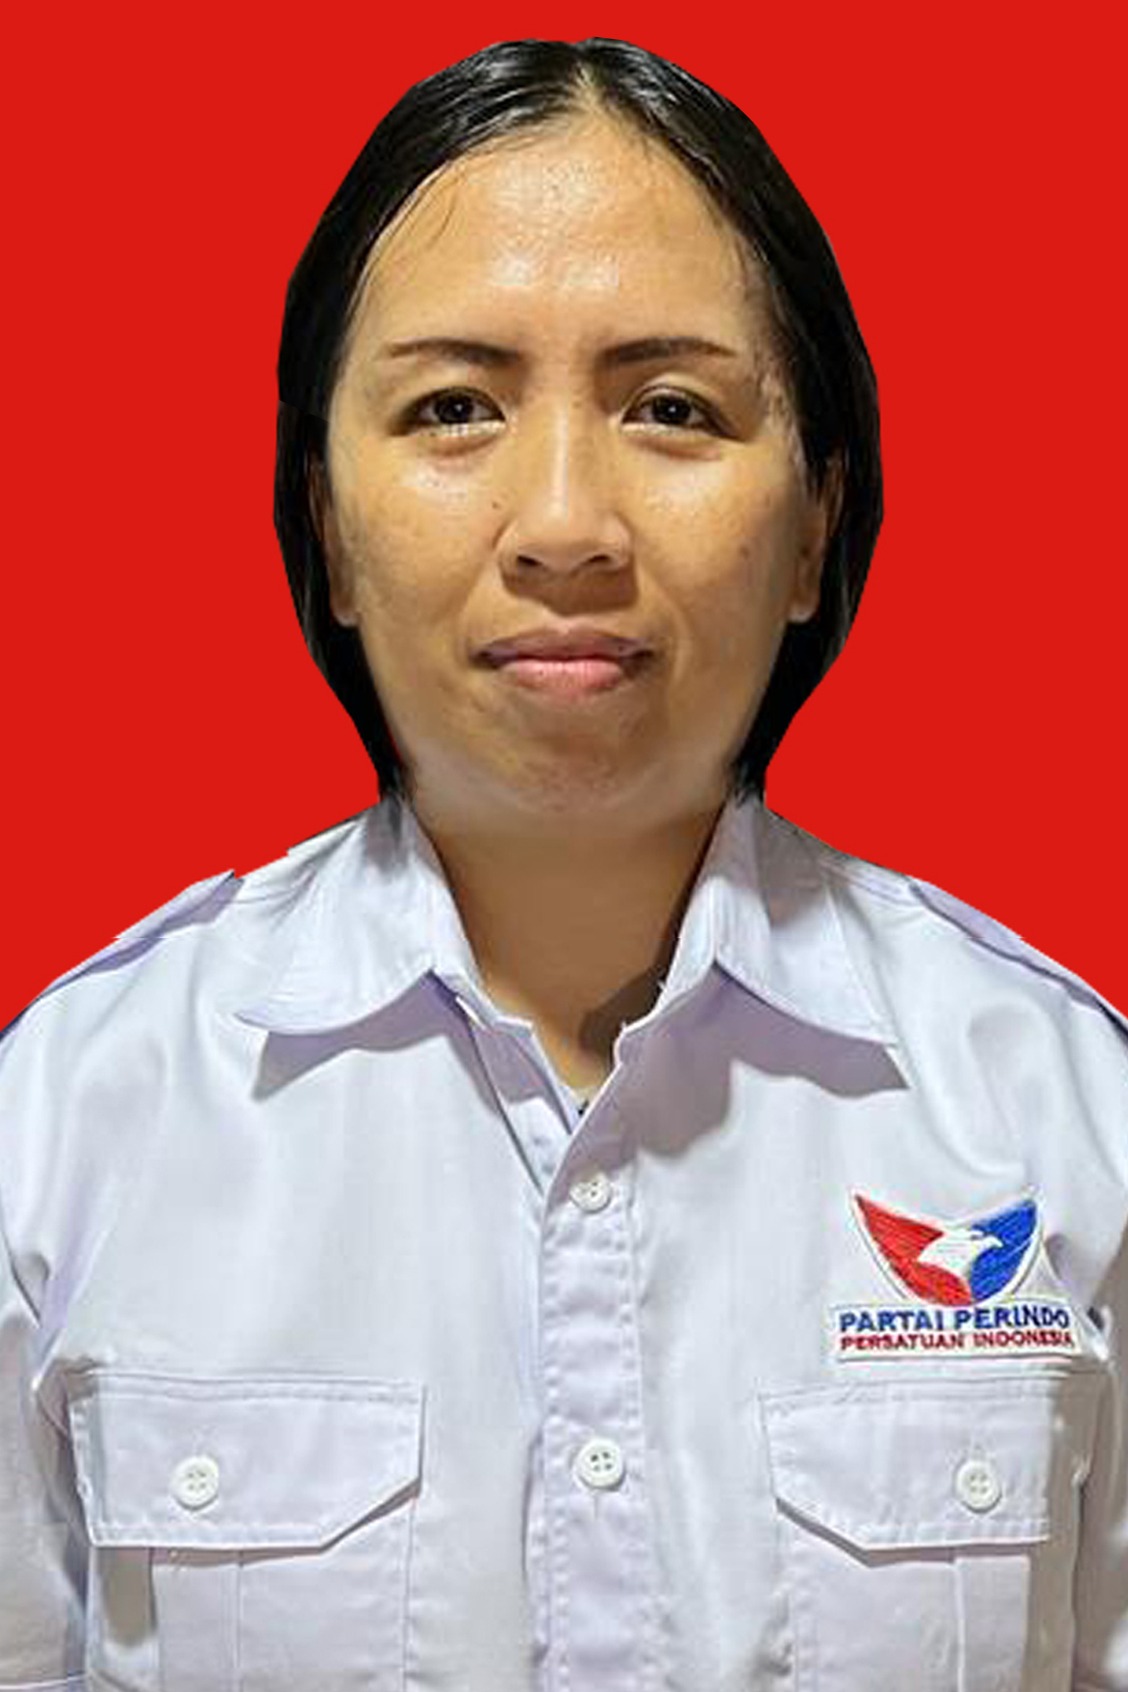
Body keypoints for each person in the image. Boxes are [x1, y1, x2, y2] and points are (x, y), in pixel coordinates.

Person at [1, 35, 1124, 1692]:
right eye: (454, 408)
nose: (565, 527)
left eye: (672, 409)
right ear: (327, 527)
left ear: (816, 525)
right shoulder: (66, 1126)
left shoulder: (1063, 1112)